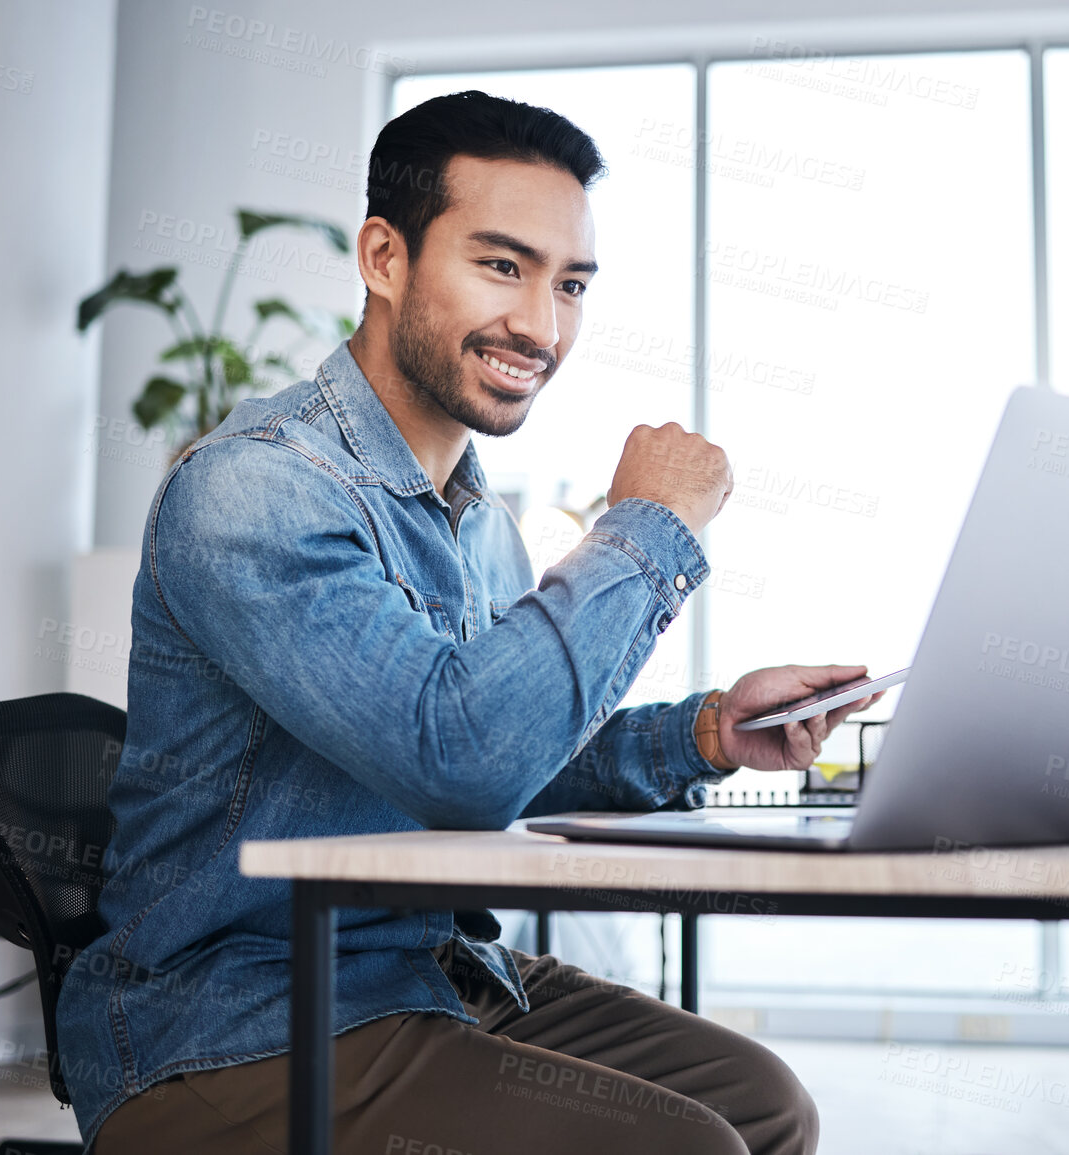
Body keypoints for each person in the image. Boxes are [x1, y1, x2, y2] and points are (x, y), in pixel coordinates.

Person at [59, 89, 883, 1155]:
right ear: (384, 259)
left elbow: (513, 748)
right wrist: (646, 527)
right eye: (502, 266)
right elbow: (462, 757)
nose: (541, 327)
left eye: (569, 283)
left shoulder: (473, 520)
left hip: (423, 971)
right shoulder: (255, 491)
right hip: (239, 1019)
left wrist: (708, 731)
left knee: (768, 1105)